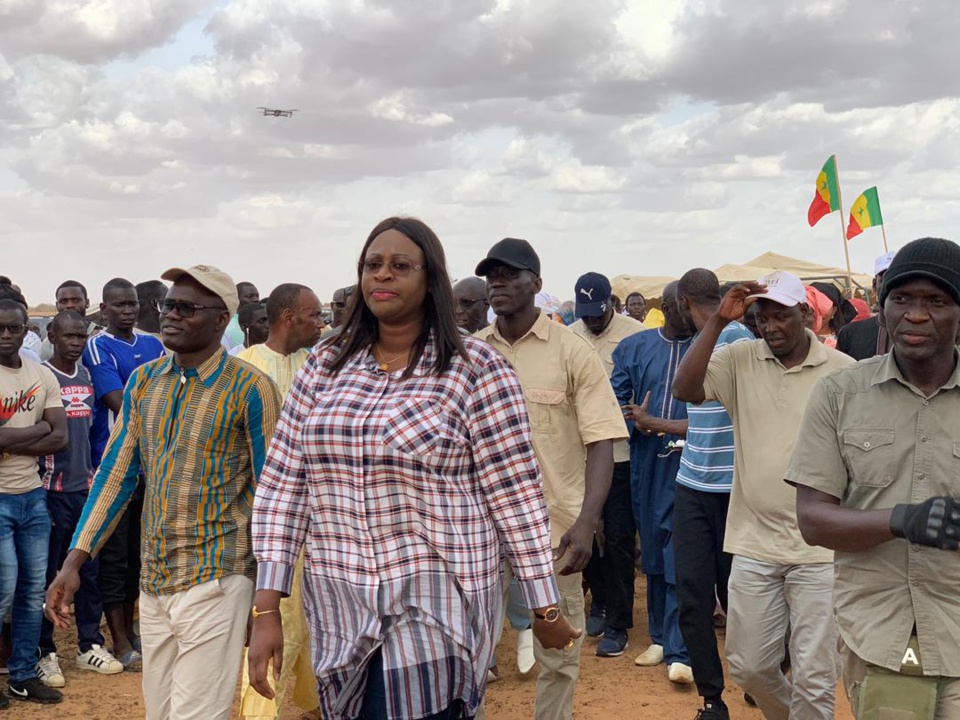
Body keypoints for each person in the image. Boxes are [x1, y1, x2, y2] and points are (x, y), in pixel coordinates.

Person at [247, 219, 577, 719]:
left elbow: (515, 494)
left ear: (430, 280)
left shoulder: (476, 368)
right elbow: (284, 485)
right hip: (340, 603)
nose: (383, 275)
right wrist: (267, 608)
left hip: (437, 600)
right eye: (373, 265)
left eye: (401, 266)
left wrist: (544, 603)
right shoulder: (326, 365)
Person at [47, 265, 281, 720]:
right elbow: (115, 475)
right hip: (154, 582)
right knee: (161, 712)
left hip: (218, 576)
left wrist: (266, 603)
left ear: (220, 320)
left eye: (186, 307)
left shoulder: (251, 389)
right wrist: (75, 560)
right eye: (168, 305)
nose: (170, 315)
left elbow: (272, 496)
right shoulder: (144, 382)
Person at [790, 238, 960, 719]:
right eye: (902, 299)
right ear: (882, 308)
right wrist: (902, 520)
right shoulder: (839, 395)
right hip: (882, 634)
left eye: (936, 301)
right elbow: (813, 519)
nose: (916, 315)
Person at [673, 270, 853, 720]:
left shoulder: (844, 372)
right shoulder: (739, 359)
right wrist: (717, 320)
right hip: (753, 543)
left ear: (806, 315)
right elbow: (685, 390)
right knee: (749, 667)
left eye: (781, 315)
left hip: (821, 550)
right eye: (763, 317)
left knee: (815, 677)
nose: (771, 326)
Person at [475, 238, 627, 720]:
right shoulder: (471, 354)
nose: (497, 281)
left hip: (553, 528)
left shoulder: (571, 351)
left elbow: (601, 440)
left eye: (509, 273)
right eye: (491, 274)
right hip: (475, 529)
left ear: (536, 284)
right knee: (469, 650)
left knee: (559, 655)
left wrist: (587, 521)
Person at [238, 283, 325, 720]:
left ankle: (315, 702)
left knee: (314, 615)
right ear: (289, 318)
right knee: (279, 616)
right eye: (313, 316)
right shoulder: (244, 367)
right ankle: (260, 712)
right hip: (271, 518)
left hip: (324, 516)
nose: (321, 324)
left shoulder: (320, 367)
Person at [673, 269, 755, 719]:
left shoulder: (738, 339)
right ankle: (711, 697)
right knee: (693, 593)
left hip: (734, 488)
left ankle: (756, 676)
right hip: (692, 485)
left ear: (686, 300)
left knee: (740, 595)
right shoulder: (702, 342)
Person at [611, 281, 695, 684]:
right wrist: (637, 421)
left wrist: (660, 424)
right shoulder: (635, 347)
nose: (688, 311)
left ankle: (680, 647)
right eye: (682, 304)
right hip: (648, 459)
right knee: (653, 548)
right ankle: (660, 636)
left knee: (680, 548)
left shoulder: (712, 347)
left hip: (694, 460)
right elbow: (616, 400)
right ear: (669, 305)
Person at [37, 311, 123, 689]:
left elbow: (94, 434)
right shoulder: (42, 378)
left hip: (85, 492)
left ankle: (89, 645)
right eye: (67, 336)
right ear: (52, 336)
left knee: (88, 572)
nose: (74, 342)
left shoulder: (88, 378)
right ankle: (45, 652)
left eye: (79, 336)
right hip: (50, 493)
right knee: (50, 573)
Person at [83, 277, 166, 669]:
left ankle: (133, 630)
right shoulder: (99, 346)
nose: (128, 310)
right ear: (104, 310)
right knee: (114, 558)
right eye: (118, 305)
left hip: (153, 466)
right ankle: (119, 640)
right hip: (115, 464)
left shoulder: (153, 344)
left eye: (132, 303)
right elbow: (119, 401)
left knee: (138, 555)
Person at [569, 272, 643, 658]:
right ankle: (597, 600)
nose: (592, 321)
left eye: (598, 314)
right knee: (586, 534)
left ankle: (618, 621)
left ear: (611, 305)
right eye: (586, 315)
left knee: (616, 539)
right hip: (581, 456)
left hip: (621, 456)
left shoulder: (633, 334)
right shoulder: (571, 336)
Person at [0, 298, 68, 706]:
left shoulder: (40, 374)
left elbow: (60, 437)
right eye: (0, 328)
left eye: (14, 328)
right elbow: (46, 431)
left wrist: (9, 439)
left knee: (31, 593)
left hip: (32, 498)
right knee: (4, 590)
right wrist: (38, 427)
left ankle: (23, 676)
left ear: (27, 330)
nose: (6, 335)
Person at [835, 250, 897, 360]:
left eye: (897, 278)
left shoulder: (923, 331)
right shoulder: (850, 334)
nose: (891, 284)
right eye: (885, 278)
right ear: (874, 285)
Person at [39, 281, 102, 361]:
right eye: (64, 301)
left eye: (76, 300)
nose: (70, 305)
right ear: (57, 305)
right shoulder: (49, 343)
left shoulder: (103, 337)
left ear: (87, 303)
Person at [223, 281, 260, 349]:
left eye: (257, 296)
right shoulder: (234, 329)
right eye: (249, 296)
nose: (256, 299)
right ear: (236, 299)